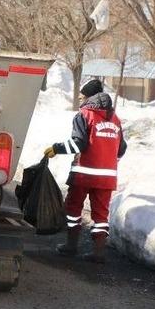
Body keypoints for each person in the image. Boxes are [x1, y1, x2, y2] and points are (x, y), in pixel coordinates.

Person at [44, 78, 127, 263]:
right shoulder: (115, 119)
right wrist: (107, 160)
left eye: (82, 97)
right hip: (107, 178)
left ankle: (71, 245)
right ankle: (98, 252)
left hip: (84, 173)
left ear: (89, 97)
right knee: (101, 214)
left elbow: (78, 143)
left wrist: (56, 148)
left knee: (73, 208)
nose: (80, 100)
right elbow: (121, 149)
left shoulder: (84, 115)